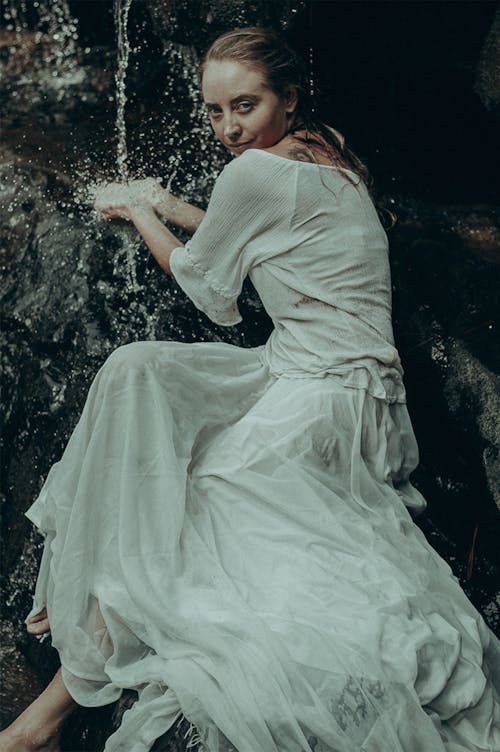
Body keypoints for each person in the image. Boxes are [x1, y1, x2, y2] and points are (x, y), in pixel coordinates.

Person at [1, 25, 499, 752]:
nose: (228, 128)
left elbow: (210, 287)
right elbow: (260, 243)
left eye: (245, 106)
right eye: (213, 111)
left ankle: (43, 707)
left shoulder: (254, 172)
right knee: (137, 368)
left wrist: (140, 210)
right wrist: (172, 203)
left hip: (320, 400)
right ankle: (68, 614)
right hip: (348, 394)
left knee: (176, 509)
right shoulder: (321, 150)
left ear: (287, 98)